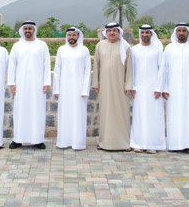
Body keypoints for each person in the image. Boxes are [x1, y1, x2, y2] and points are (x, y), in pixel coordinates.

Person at [159, 23, 189, 154]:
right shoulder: (169, 48)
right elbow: (165, 69)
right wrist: (165, 88)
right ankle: (175, 144)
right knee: (175, 116)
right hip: (173, 90)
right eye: (179, 30)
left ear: (188, 32)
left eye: (184, 30)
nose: (181, 33)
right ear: (176, 32)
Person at [7, 21, 51, 149]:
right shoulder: (17, 46)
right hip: (21, 85)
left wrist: (46, 82)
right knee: (20, 111)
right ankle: (18, 139)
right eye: (25, 28)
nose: (27, 30)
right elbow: (12, 65)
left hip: (38, 85)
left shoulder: (42, 45)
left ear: (34, 30)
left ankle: (38, 140)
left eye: (30, 28)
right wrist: (12, 83)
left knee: (37, 111)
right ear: (22, 30)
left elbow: (47, 64)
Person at [92, 22, 133, 151]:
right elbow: (96, 65)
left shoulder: (125, 46)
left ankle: (124, 143)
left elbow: (129, 67)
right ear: (106, 32)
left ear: (119, 32)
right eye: (109, 31)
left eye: (114, 30)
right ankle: (104, 142)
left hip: (120, 86)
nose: (112, 33)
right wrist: (95, 84)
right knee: (105, 113)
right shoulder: (100, 46)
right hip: (104, 85)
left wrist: (128, 85)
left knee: (121, 113)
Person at [53, 27, 91, 150]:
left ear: (78, 36)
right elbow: (57, 70)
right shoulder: (61, 50)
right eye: (69, 35)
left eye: (74, 35)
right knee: (64, 115)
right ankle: (63, 142)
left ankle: (78, 143)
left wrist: (85, 90)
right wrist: (57, 89)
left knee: (78, 115)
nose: (71, 37)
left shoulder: (84, 50)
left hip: (79, 90)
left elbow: (87, 71)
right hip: (64, 89)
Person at [129, 25, 165, 153]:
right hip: (138, 88)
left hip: (153, 89)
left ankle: (152, 145)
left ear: (151, 34)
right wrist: (132, 86)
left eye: (147, 33)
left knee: (153, 116)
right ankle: (138, 144)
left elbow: (162, 69)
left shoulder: (158, 49)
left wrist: (159, 88)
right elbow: (132, 69)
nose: (145, 35)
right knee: (139, 116)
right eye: (143, 32)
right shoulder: (134, 50)